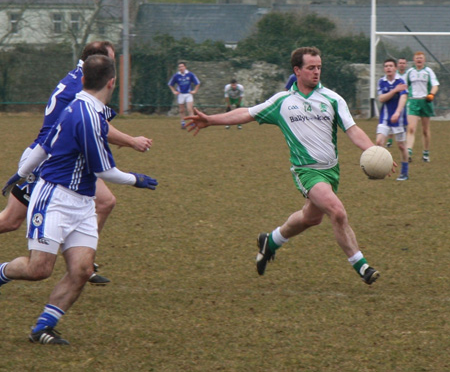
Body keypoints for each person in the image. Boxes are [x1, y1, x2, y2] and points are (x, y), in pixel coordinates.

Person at [185, 46, 384, 285]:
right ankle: (362, 266)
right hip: (306, 170)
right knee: (337, 212)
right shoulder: (282, 102)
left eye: (319, 67)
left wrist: (374, 152)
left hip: (331, 170)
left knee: (311, 218)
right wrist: (211, 120)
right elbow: (246, 113)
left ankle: (271, 240)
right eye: (311, 68)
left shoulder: (332, 99)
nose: (316, 72)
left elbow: (352, 130)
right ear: (297, 70)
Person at [0, 55, 158, 345]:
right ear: (112, 82)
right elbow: (104, 171)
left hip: (83, 202)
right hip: (55, 198)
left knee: (83, 270)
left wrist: (19, 173)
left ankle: (43, 327)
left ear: (83, 80)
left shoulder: (82, 107)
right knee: (39, 270)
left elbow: (45, 145)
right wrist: (137, 179)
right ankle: (1, 272)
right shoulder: (86, 116)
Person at [377, 59, 409, 181]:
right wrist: (395, 90)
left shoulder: (401, 81)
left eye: (391, 66)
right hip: (384, 119)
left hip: (398, 119)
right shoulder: (382, 81)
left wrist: (397, 112)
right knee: (379, 142)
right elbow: (381, 98)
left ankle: (404, 172)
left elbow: (403, 97)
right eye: (386, 66)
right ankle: (382, 169)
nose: (388, 68)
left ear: (395, 68)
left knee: (401, 146)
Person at [405, 52, 439, 162]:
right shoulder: (410, 72)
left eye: (421, 58)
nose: (419, 60)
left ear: (424, 60)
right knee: (411, 128)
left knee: (425, 130)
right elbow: (405, 85)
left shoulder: (428, 71)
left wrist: (431, 94)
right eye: (417, 58)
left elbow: (435, 85)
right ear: (414, 60)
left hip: (425, 101)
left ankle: (426, 153)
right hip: (413, 102)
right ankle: (408, 152)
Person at [168, 61, 200, 129]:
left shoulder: (190, 74)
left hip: (188, 94)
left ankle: (192, 122)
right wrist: (174, 91)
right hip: (181, 94)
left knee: (189, 109)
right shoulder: (176, 75)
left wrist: (195, 91)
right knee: (182, 110)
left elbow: (197, 83)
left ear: (185, 67)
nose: (181, 68)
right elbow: (170, 84)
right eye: (179, 67)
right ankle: (183, 123)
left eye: (182, 66)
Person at [385, 57, 408, 148]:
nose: (402, 65)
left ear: (405, 65)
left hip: (405, 99)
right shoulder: (394, 75)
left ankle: (402, 140)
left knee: (402, 121)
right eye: (400, 63)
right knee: (391, 119)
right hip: (394, 101)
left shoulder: (408, 74)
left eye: (403, 63)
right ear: (397, 65)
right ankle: (390, 140)